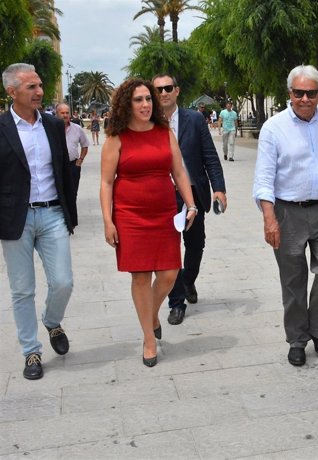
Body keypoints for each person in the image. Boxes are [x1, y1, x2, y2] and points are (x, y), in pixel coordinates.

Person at [253, 64, 318, 366]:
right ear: (289, 93)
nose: (304, 99)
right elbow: (264, 179)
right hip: (287, 213)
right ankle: (297, 339)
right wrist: (270, 219)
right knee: (293, 282)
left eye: (311, 93)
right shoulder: (274, 127)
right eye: (298, 93)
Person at [100, 79, 197, 367]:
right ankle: (149, 338)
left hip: (164, 211)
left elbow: (179, 170)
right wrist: (108, 221)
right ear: (126, 105)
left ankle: (151, 313)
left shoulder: (164, 132)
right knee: (141, 276)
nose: (145, 105)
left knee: (168, 273)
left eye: (148, 99)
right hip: (130, 214)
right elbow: (106, 183)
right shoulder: (115, 138)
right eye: (138, 100)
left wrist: (190, 204)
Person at [0, 63, 78, 380]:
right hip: (14, 218)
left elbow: (63, 170)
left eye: (40, 85)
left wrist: (69, 213)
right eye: (31, 87)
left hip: (51, 213)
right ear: (12, 91)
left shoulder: (52, 126)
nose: (39, 92)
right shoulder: (2, 127)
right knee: (22, 290)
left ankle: (51, 319)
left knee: (63, 281)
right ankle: (31, 352)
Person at [152, 74, 227, 326]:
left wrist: (219, 188)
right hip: (162, 196)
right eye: (158, 89)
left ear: (177, 91)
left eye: (168, 88)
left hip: (192, 193)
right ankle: (176, 302)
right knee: (170, 250)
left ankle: (187, 280)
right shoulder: (146, 122)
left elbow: (210, 157)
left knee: (195, 244)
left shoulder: (194, 119)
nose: (163, 93)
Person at [56, 103, 89, 196]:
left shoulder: (77, 128)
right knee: (58, 194)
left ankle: (72, 210)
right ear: (57, 113)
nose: (65, 115)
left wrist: (80, 160)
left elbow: (85, 145)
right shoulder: (50, 129)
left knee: (73, 193)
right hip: (57, 167)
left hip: (73, 166)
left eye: (67, 113)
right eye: (62, 113)